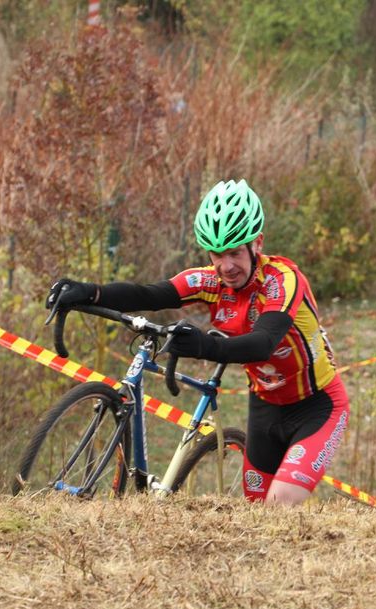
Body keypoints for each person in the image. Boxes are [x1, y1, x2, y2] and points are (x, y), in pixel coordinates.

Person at [45, 179, 349, 506]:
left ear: (257, 244)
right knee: (258, 513)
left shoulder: (282, 281)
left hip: (317, 407)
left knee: (279, 505)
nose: (226, 266)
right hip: (265, 409)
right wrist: (90, 292)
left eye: (234, 253)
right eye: (217, 254)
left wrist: (202, 345)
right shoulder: (211, 280)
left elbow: (263, 342)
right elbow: (151, 293)